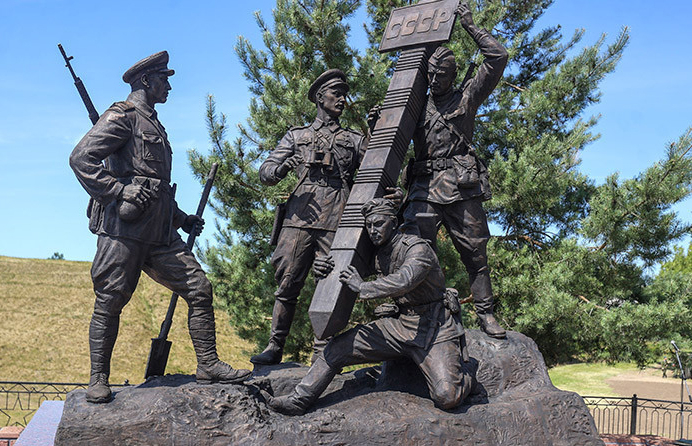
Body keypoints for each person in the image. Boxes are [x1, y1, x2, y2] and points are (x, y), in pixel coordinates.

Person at [69, 51, 251, 403]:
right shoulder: (123, 116)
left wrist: (182, 219)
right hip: (124, 229)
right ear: (146, 81)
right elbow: (81, 158)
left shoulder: (153, 124)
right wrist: (118, 190)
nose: (168, 86)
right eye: (163, 79)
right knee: (110, 300)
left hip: (161, 232)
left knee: (199, 288)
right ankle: (98, 378)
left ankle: (208, 364)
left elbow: (155, 184)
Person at [263, 198, 472, 415]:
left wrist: (362, 287)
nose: (373, 230)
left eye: (379, 224)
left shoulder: (417, 248)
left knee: (447, 397)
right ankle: (299, 400)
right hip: (401, 325)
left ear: (394, 223)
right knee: (337, 348)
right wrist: (323, 268)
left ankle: (467, 377)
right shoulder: (379, 254)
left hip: (434, 327)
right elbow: (345, 271)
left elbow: (404, 280)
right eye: (369, 225)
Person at [400, 3, 509, 338]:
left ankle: (486, 314)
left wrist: (470, 26)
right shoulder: (415, 104)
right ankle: (415, 312)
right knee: (412, 249)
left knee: (475, 253)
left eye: (442, 75)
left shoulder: (467, 97)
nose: (435, 80)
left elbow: (498, 57)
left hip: (460, 186)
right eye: (431, 75)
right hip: (423, 187)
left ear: (452, 75)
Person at [251, 69, 367, 365]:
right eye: (336, 94)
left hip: (337, 217)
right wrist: (282, 168)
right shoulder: (297, 135)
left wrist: (376, 130)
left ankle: (322, 351)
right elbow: (265, 172)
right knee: (287, 281)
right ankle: (275, 345)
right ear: (319, 97)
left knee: (331, 284)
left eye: (344, 95)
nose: (342, 100)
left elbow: (374, 169)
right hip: (300, 217)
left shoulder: (353, 139)